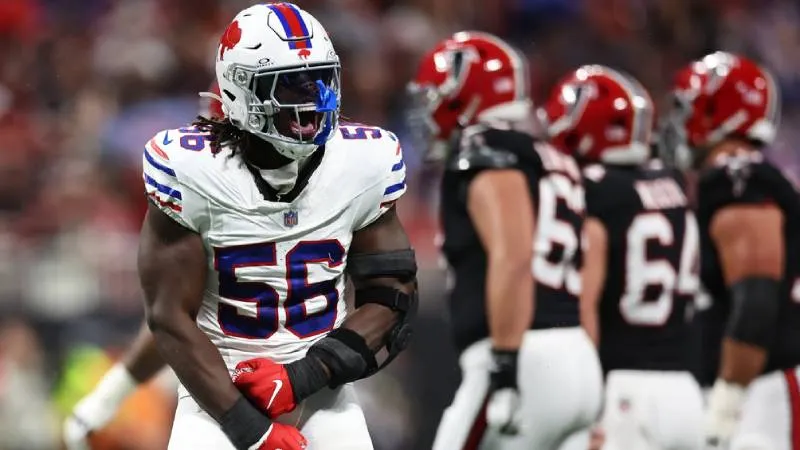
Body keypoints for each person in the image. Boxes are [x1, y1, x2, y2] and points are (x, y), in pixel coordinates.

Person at [140, 3, 418, 449]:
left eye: (319, 81)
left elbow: (392, 297)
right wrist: (250, 429)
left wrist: (301, 376)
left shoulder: (364, 162)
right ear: (240, 89)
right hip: (217, 396)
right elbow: (169, 318)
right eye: (288, 85)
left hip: (322, 390)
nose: (311, 102)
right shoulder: (192, 170)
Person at [408, 31, 602, 450]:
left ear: (466, 95)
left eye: (435, 96)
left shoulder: (487, 150)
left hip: (523, 354)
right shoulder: (551, 157)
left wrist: (507, 363)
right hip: (578, 357)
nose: (428, 110)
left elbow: (513, 257)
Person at [541, 65, 704, 449]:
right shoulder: (672, 183)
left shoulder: (598, 192)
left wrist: (588, 399)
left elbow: (586, 304)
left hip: (625, 394)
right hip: (686, 392)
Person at [62, 82, 224, 450]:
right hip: (239, 373)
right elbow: (172, 318)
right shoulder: (201, 198)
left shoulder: (336, 178)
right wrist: (107, 398)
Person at [662, 51, 800, 449]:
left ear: (715, 111)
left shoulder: (737, 178)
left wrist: (728, 399)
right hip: (756, 387)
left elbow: (756, 298)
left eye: (686, 109)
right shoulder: (739, 177)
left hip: (763, 391)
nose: (677, 123)